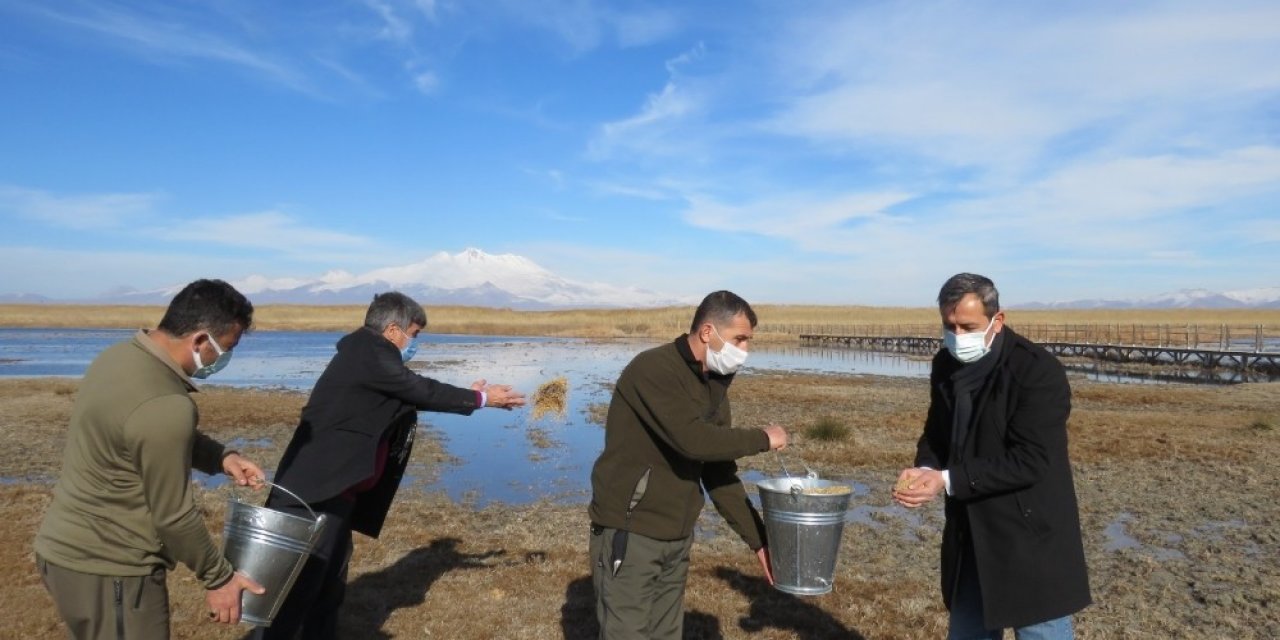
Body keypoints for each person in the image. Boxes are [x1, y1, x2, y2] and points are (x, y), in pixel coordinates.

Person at [251, 291, 526, 639]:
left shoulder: (369, 356)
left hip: (336, 494)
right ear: (394, 330)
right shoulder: (369, 353)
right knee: (296, 593)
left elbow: (408, 394)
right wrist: (482, 398)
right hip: (315, 495)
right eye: (415, 333)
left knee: (327, 589)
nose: (415, 342)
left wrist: (467, 394)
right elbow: (416, 389)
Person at [34, 278, 267, 639]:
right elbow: (174, 516)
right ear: (201, 341)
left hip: (64, 554)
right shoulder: (166, 406)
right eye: (227, 349)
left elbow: (139, 434)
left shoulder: (119, 357)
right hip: (113, 571)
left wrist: (222, 457)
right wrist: (219, 577)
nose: (225, 359)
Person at [893, 273, 1091, 639]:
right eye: (949, 326)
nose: (957, 336)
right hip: (971, 534)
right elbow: (937, 431)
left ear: (997, 321)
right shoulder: (946, 364)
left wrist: (947, 480)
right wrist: (925, 467)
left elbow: (1031, 459)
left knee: (1041, 631)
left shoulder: (1037, 371)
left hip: (1028, 533)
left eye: (968, 326)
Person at [588, 290, 789, 640]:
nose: (744, 350)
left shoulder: (712, 384)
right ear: (708, 332)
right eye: (739, 339)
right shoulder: (652, 369)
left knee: (667, 633)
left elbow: (718, 471)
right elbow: (692, 440)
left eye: (748, 341)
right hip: (631, 532)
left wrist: (760, 541)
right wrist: (762, 437)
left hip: (676, 537)